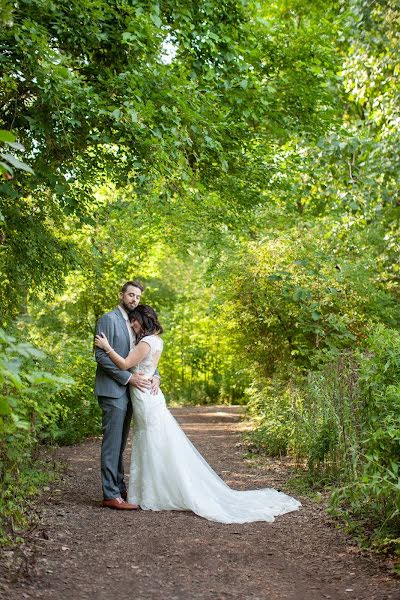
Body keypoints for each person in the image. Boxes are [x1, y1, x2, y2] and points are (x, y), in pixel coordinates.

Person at [95, 304, 301, 524]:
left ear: (143, 320)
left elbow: (127, 363)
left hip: (145, 397)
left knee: (152, 442)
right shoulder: (155, 341)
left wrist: (107, 347)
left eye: (134, 321)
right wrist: (155, 377)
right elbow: (149, 366)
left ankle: (157, 491)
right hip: (147, 395)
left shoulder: (145, 342)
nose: (132, 324)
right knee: (154, 442)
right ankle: (149, 490)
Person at [94, 281, 160, 510]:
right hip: (112, 391)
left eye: (138, 297)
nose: (134, 299)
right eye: (131, 295)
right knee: (112, 445)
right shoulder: (108, 320)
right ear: (121, 294)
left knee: (120, 444)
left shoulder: (137, 324)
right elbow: (101, 357)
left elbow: (145, 356)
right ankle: (110, 495)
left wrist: (156, 377)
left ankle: (120, 489)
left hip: (132, 394)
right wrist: (128, 378)